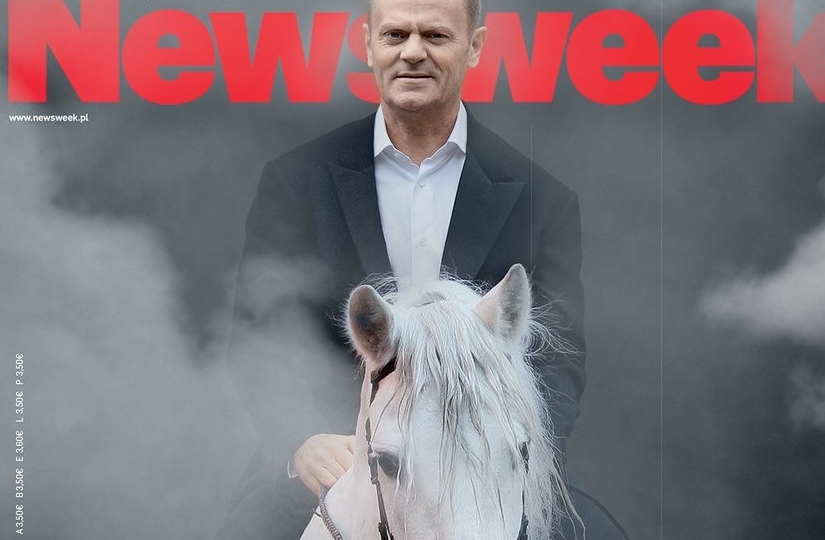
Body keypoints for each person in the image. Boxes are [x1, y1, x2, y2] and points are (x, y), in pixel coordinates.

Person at [218, 0, 593, 538]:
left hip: (488, 471)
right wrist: (301, 437)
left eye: (435, 36)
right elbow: (261, 331)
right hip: (333, 462)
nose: (413, 52)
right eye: (395, 34)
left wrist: (511, 455)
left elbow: (559, 364)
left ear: (475, 47)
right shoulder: (295, 180)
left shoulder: (544, 202)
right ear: (367, 44)